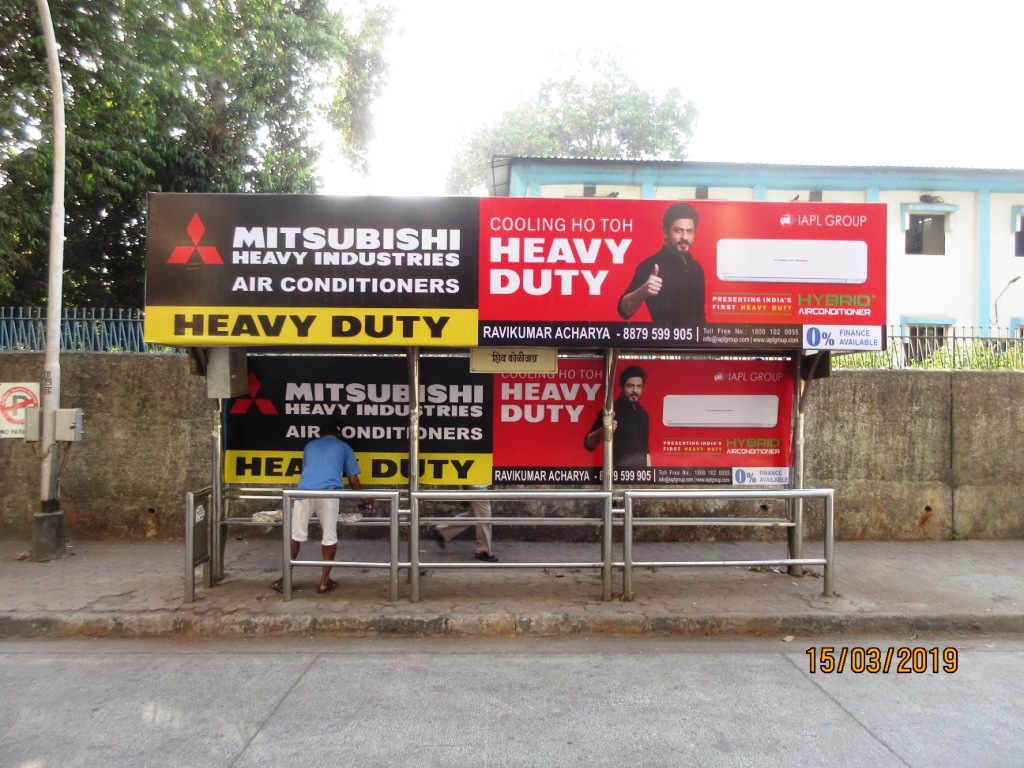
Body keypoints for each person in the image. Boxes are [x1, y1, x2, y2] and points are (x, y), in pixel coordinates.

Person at [272, 423, 372, 594]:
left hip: (304, 493)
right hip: (329, 495)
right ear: (338, 435)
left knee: (295, 536)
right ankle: (324, 583)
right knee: (329, 538)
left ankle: (285, 580)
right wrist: (366, 499)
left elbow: (307, 471)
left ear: (320, 434)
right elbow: (353, 480)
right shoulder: (344, 447)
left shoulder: (310, 446)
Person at [618, 202, 706, 327]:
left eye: (689, 231)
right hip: (664, 344)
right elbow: (624, 310)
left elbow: (700, 315)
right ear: (666, 231)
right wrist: (643, 290)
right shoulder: (651, 266)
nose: (684, 237)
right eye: (678, 230)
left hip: (697, 344)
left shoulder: (697, 269)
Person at [583, 365, 650, 468]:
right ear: (621, 386)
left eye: (638, 386)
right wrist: (603, 430)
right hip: (618, 476)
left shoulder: (643, 414)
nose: (635, 390)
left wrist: (650, 475)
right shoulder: (611, 411)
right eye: (630, 386)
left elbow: (646, 449)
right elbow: (588, 444)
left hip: (641, 476)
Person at [433, 490, 498, 562]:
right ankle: (483, 550)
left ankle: (443, 531)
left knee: (474, 515)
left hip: (477, 486)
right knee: (484, 518)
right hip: (479, 487)